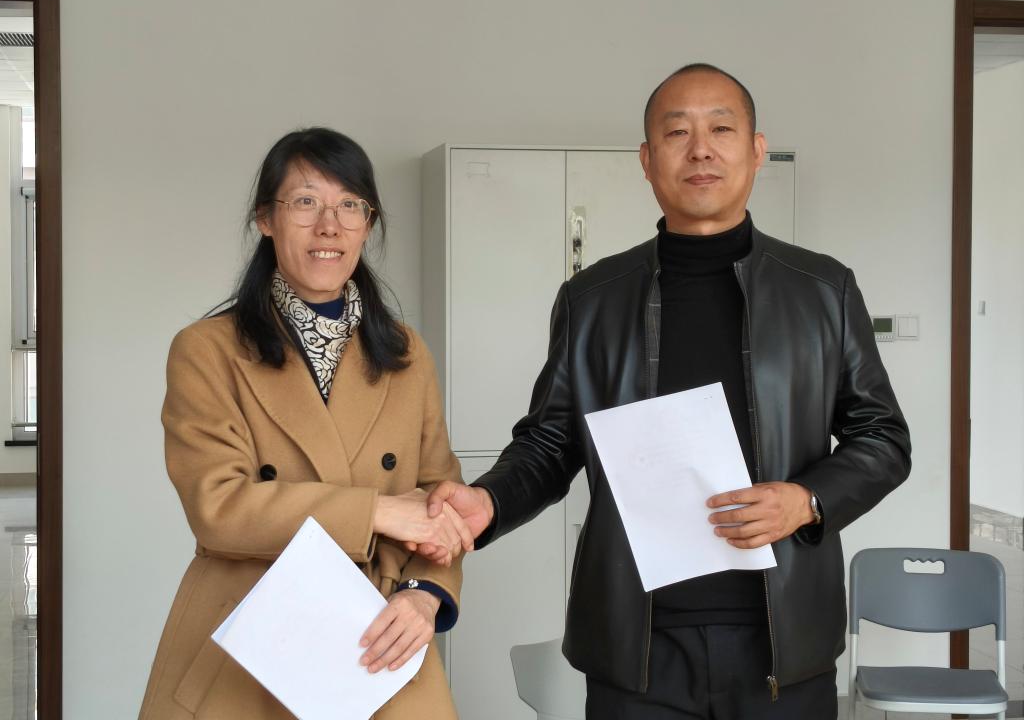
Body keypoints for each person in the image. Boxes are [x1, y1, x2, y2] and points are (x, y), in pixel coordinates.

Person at [420, 65, 912, 719]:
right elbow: (550, 442)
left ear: (756, 150)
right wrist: (488, 501)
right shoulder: (593, 298)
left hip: (783, 642)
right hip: (637, 648)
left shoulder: (823, 290)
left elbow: (883, 438)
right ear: (647, 161)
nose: (700, 149)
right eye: (677, 132)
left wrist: (806, 501)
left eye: (721, 129)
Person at [139, 127, 472, 720]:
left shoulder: (405, 352)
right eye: (305, 202)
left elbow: (441, 503)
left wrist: (424, 596)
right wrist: (374, 511)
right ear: (265, 218)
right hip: (254, 632)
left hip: (379, 630)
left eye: (350, 205)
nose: (329, 226)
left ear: (368, 223)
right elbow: (218, 506)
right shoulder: (207, 350)